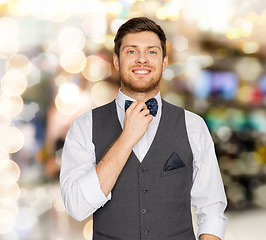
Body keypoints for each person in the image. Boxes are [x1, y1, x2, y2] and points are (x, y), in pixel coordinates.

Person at [60, 17, 227, 240]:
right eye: (131, 51)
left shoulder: (193, 126)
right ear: (117, 61)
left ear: (164, 62)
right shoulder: (84, 126)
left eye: (152, 52)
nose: (142, 60)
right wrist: (126, 138)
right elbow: (77, 207)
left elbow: (212, 208)